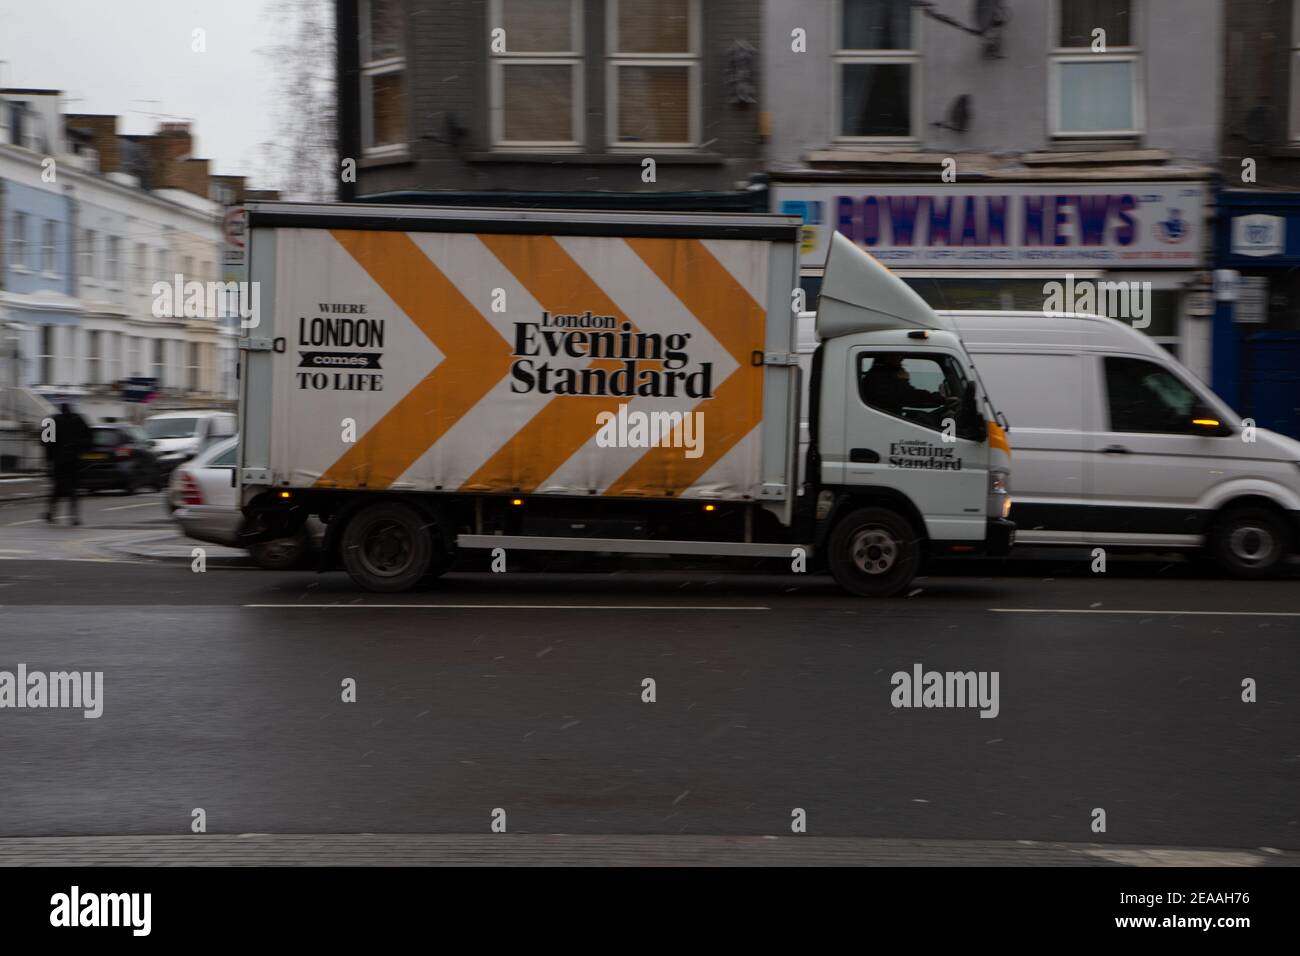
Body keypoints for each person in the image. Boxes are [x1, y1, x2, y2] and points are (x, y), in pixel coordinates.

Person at [861, 354, 958, 420]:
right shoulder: (879, 376)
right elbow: (907, 396)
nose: (902, 359)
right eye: (899, 356)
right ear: (888, 357)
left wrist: (940, 399)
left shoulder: (879, 374)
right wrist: (940, 398)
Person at [44, 403, 93, 525]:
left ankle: (51, 513)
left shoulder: (52, 421)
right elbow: (89, 438)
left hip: (58, 461)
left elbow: (45, 441)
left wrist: (49, 459)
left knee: (57, 489)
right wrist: (81, 451)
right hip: (73, 460)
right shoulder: (79, 420)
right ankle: (74, 517)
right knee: (73, 490)